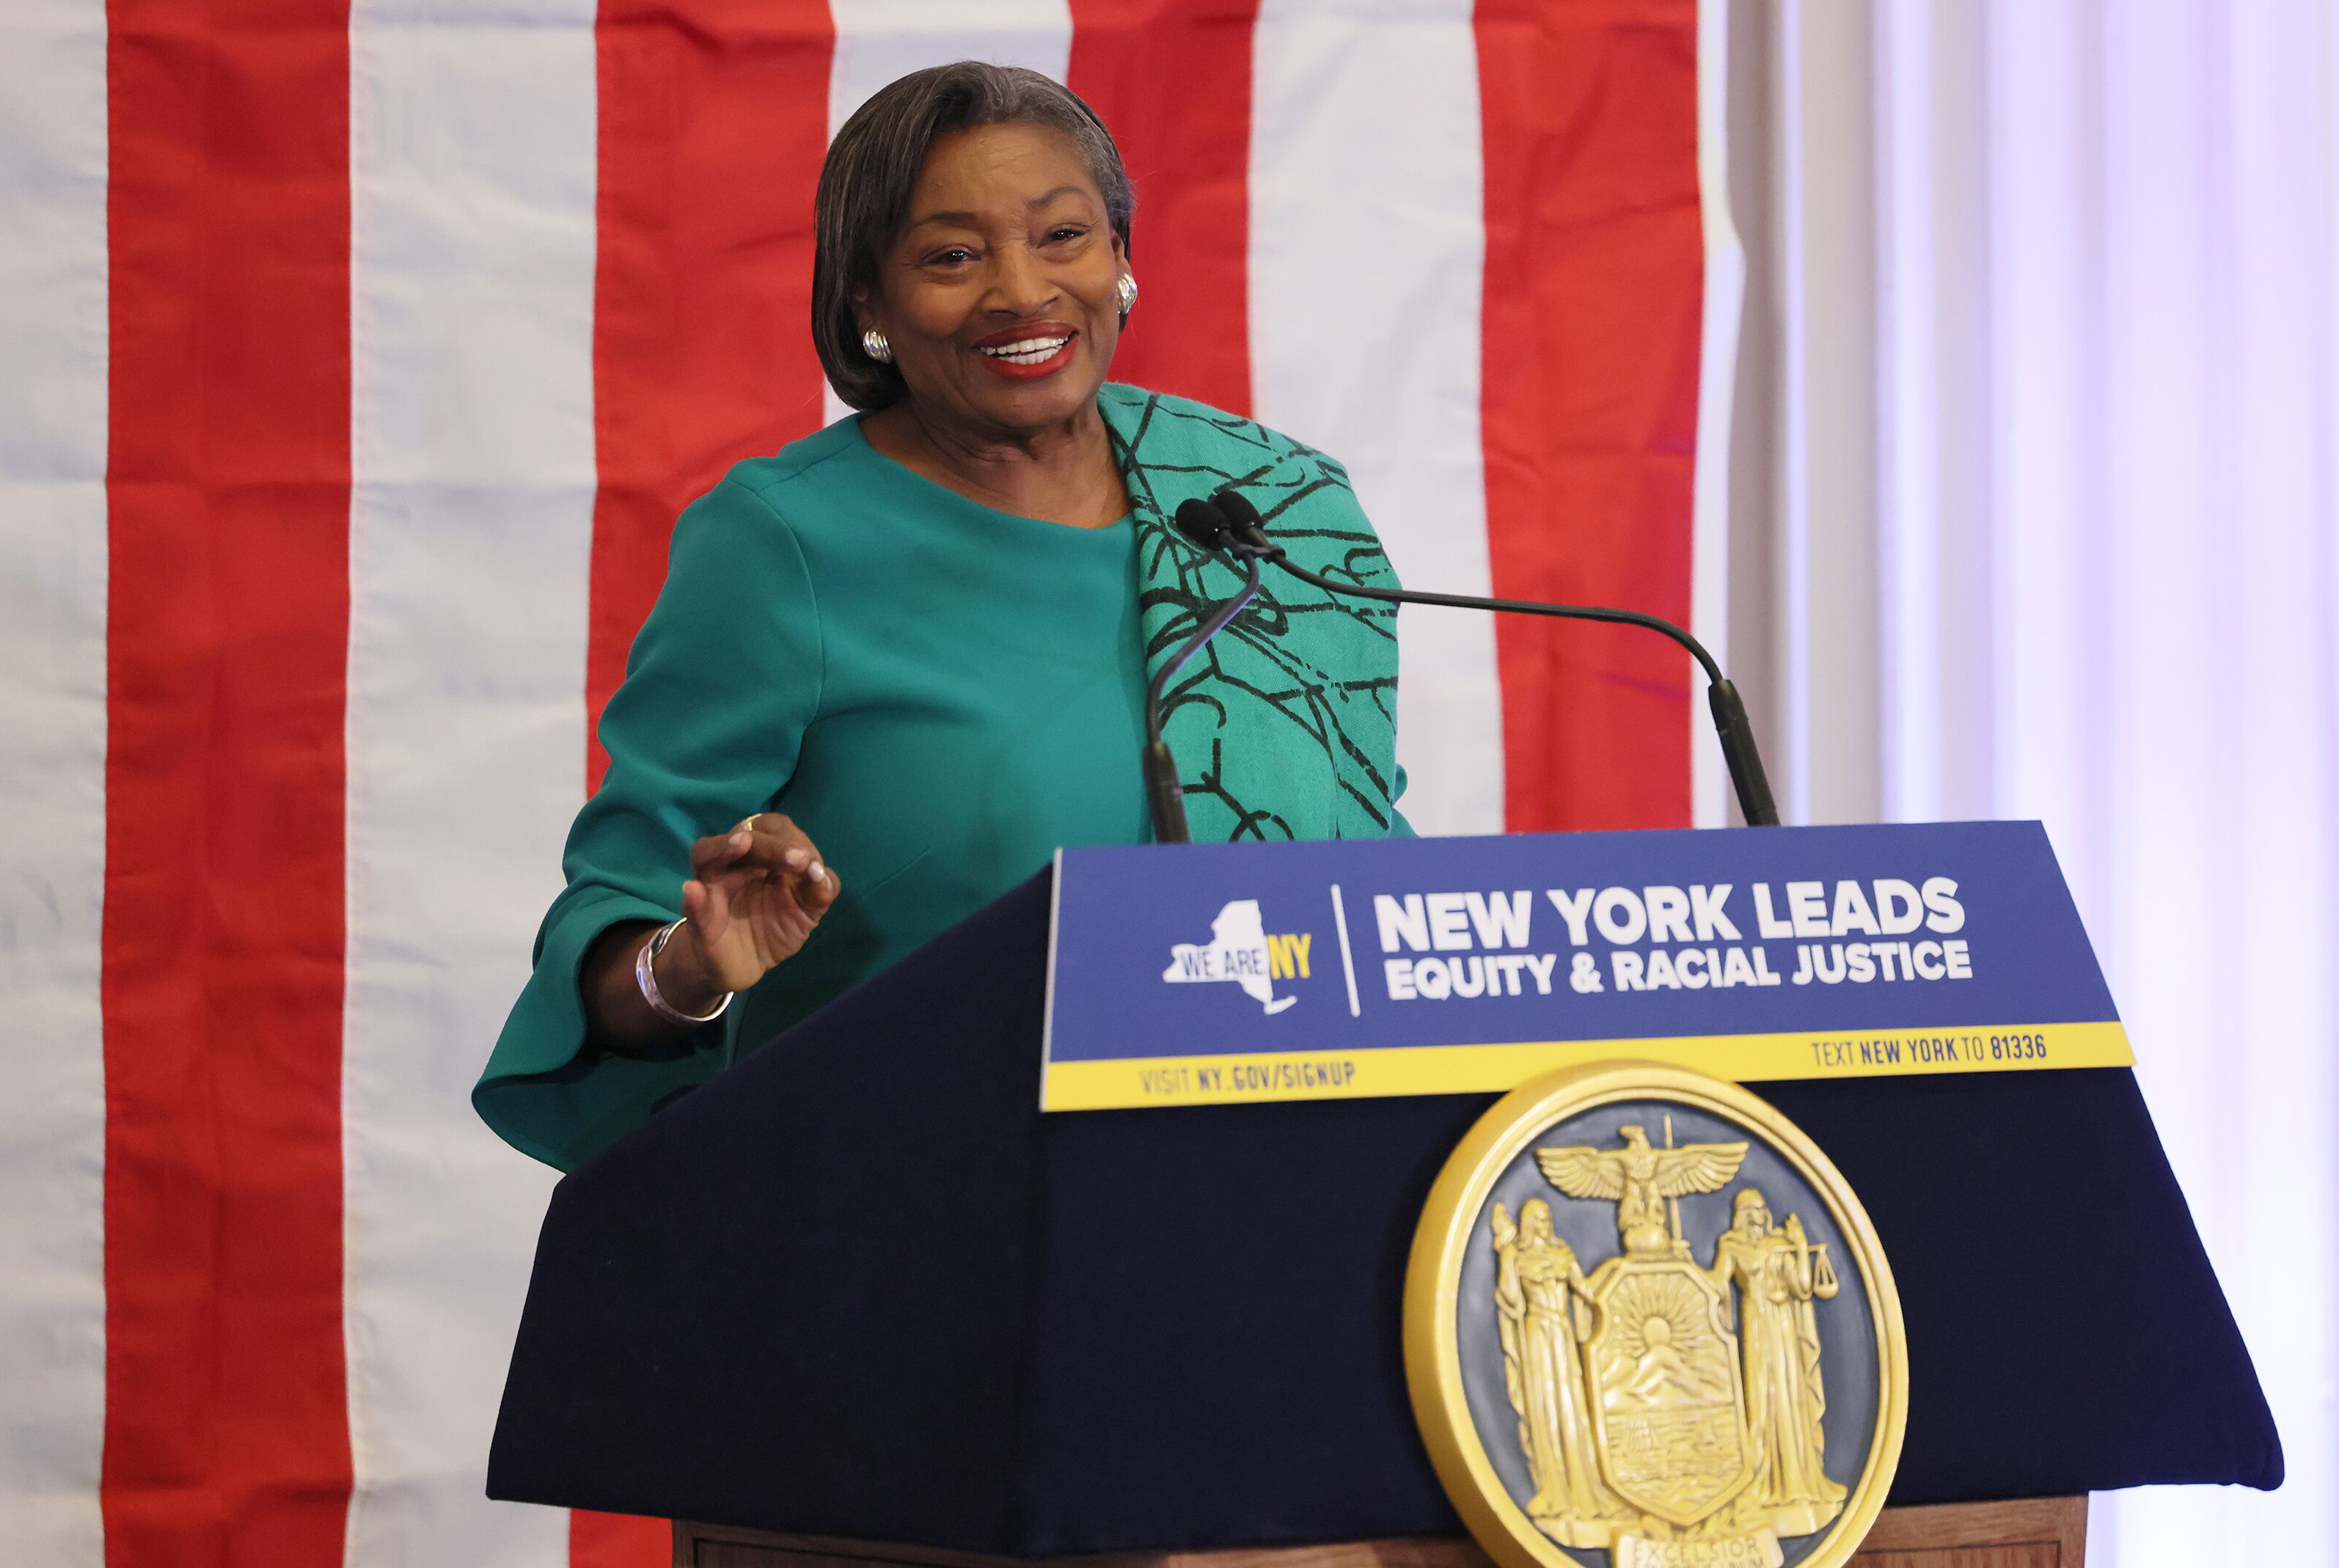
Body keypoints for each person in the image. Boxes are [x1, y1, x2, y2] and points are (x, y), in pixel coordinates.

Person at [474, 63, 1411, 1170]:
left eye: (1063, 236)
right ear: (866, 301)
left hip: (1297, 1177)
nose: (1021, 290)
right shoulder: (782, 545)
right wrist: (684, 967)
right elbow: (621, 908)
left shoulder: (1272, 504)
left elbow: (1373, 859)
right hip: (930, 1197)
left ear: (1120, 257)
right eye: (952, 256)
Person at [1709, 1188, 1847, 1536]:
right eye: (1750, 1210)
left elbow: (1803, 1287)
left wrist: (1800, 1247)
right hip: (1755, 1328)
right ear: (1740, 1214)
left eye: (1761, 1208)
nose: (1758, 1215)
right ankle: (1761, 1479)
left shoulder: (1780, 1245)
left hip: (1784, 1328)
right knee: (1761, 1403)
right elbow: (1715, 1285)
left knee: (1790, 1400)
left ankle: (1798, 1481)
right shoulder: (1731, 1246)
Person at [1491, 1199, 1627, 1543]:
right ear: (1526, 1222)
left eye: (1547, 1216)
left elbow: (1586, 1289)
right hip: (1538, 1336)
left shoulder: (1563, 1253)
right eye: (1539, 1217)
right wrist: (1506, 1261)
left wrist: (1619, 1272)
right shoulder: (1517, 1258)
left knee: (1571, 1408)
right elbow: (1510, 1300)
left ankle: (1583, 1487)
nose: (1545, 1221)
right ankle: (1557, 1490)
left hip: (1562, 1334)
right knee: (1547, 1408)